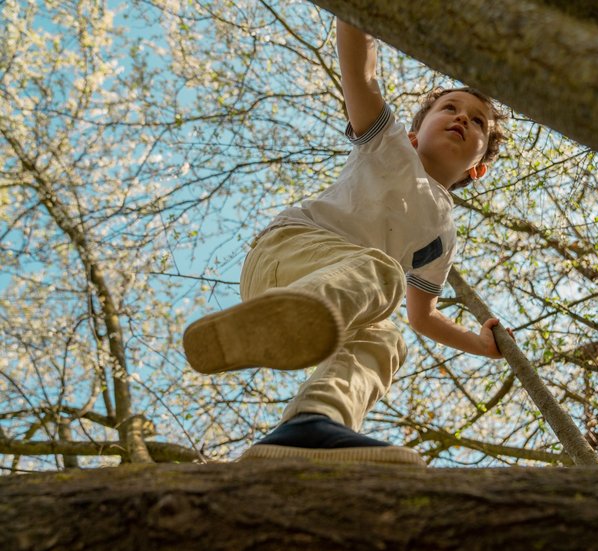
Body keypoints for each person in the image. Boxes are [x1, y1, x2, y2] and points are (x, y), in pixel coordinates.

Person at [183, 20, 510, 467]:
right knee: (381, 272)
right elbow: (360, 74)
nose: (462, 118)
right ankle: (291, 316)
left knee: (387, 340)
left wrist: (479, 344)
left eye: (477, 122)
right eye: (451, 108)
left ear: (478, 167)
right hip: (289, 253)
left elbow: (423, 316)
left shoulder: (442, 235)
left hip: (337, 299)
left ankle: (310, 426)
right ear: (415, 134)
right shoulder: (389, 144)